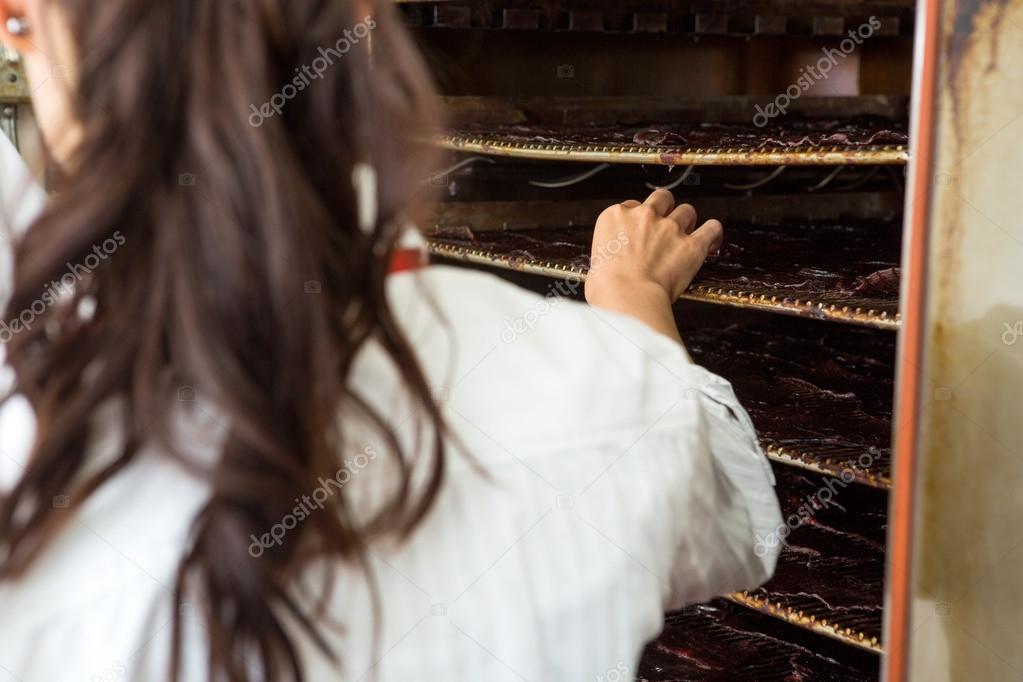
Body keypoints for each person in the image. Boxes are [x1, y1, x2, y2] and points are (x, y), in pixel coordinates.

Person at [0, 1, 782, 681]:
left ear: (19, 26)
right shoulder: (603, 391)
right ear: (361, 21)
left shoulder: (27, 452)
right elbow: (739, 525)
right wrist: (631, 299)